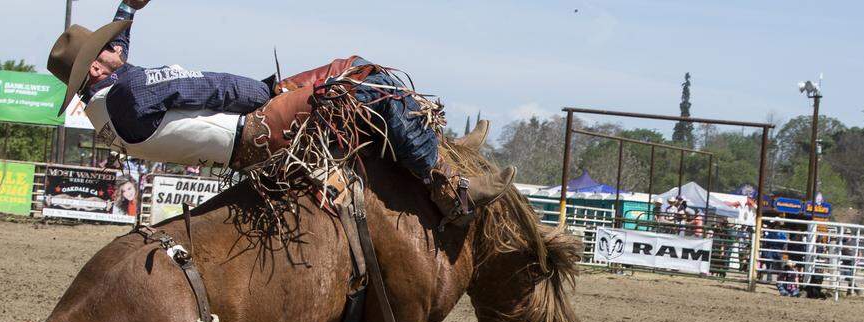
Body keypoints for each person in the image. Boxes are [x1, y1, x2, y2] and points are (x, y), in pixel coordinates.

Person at [45, 0, 513, 220]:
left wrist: (128, 8)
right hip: (254, 127)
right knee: (362, 81)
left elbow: (122, 50)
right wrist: (267, 93)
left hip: (239, 138)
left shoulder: (109, 103)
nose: (114, 48)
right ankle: (449, 185)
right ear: (95, 71)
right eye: (102, 51)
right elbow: (209, 87)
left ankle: (438, 149)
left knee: (352, 70)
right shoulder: (129, 91)